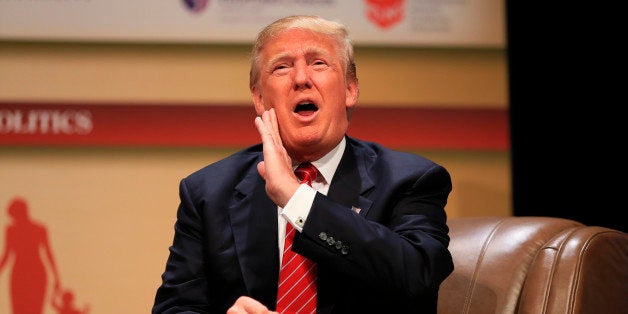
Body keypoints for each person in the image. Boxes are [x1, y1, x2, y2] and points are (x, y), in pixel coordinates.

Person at [152, 15, 454, 314]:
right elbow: (176, 308)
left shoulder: (410, 180)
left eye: (318, 63)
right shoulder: (208, 192)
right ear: (258, 98)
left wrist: (296, 198)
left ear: (350, 89)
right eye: (282, 67)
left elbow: (418, 274)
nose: (300, 79)